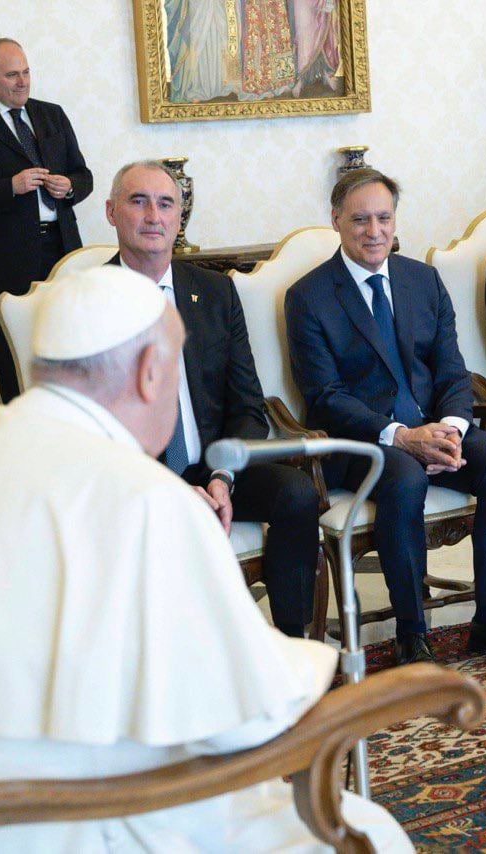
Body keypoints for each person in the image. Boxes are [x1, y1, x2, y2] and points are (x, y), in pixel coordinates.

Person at [0, 265, 409, 851]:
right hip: (82, 817)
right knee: (373, 832)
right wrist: (312, 670)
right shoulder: (150, 500)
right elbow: (247, 725)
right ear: (152, 374)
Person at [286, 169, 486, 668]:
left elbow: (451, 367)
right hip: (360, 442)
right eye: (360, 220)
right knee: (403, 476)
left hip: (435, 426)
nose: (374, 231)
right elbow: (324, 397)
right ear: (336, 220)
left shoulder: (421, 279)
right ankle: (412, 632)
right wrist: (402, 437)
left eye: (384, 218)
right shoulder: (310, 296)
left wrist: (452, 427)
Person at [107, 160, 322, 639]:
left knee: (296, 494)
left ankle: (292, 644)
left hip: (212, 466)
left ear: (179, 220)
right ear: (111, 212)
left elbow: (247, 404)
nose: (153, 216)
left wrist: (222, 476)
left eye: (166, 205)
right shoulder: (89, 301)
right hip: (134, 479)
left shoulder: (215, 292)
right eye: (138, 201)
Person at [0, 38, 92, 404]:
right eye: (11, 75)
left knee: (70, 347)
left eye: (26, 72)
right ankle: (19, 433)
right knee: (14, 356)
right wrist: (9, 187)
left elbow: (84, 175)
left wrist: (69, 186)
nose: (22, 82)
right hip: (5, 261)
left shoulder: (52, 115)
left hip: (63, 251)